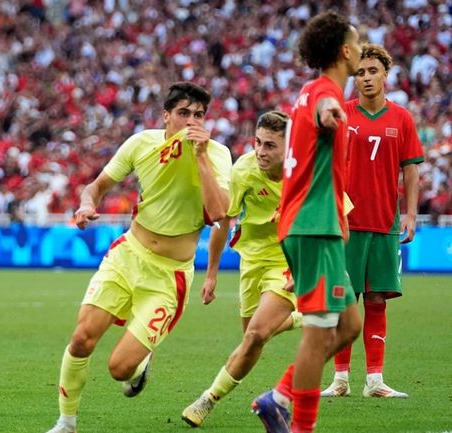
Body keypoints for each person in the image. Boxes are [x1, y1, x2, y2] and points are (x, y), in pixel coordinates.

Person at [43, 82, 232, 433]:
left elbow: (220, 213)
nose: (192, 121)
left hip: (169, 275)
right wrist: (87, 204)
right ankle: (66, 423)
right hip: (128, 254)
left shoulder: (218, 154)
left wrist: (201, 156)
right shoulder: (141, 143)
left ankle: (140, 361)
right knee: (82, 338)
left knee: (119, 369)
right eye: (184, 113)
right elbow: (96, 186)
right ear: (166, 116)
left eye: (199, 115)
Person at [250, 12, 363, 433]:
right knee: (318, 335)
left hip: (320, 225)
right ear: (344, 50)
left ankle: (277, 396)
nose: (360, 48)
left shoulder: (310, 91)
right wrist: (333, 111)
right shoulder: (323, 93)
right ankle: (301, 428)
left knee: (350, 325)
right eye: (357, 42)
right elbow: (325, 107)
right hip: (312, 228)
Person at [181, 111, 302, 428]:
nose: (261, 152)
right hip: (252, 260)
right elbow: (224, 219)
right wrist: (211, 273)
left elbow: (337, 215)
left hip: (288, 261)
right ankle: (302, 317)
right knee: (252, 340)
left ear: (289, 148)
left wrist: (311, 265)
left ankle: (208, 398)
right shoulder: (245, 169)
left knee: (256, 334)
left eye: (271, 146)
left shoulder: (308, 171)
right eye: (258, 143)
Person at [320, 43, 424, 399]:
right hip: (344, 224)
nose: (365, 78)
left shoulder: (402, 119)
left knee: (377, 299)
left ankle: (375, 380)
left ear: (385, 75)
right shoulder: (341, 115)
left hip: (383, 222)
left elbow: (411, 171)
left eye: (372, 72)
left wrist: (410, 213)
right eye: (360, 72)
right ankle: (340, 379)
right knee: (344, 300)